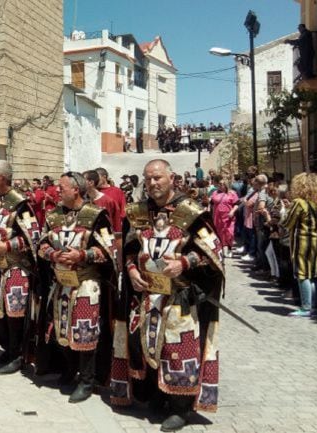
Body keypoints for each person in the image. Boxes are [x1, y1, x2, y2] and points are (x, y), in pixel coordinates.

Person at [110, 159, 224, 432]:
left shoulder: (192, 212)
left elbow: (214, 252)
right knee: (148, 347)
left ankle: (180, 408)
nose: (152, 183)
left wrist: (184, 263)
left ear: (172, 178)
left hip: (180, 297)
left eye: (158, 178)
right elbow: (128, 249)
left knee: (177, 350)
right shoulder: (138, 212)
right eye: (148, 178)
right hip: (147, 296)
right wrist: (131, 270)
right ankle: (157, 395)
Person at [36, 171, 116, 403]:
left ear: (76, 190)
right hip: (61, 283)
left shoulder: (96, 215)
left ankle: (87, 380)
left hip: (86, 283)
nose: (57, 191)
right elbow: (41, 245)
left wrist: (81, 254)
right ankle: (69, 370)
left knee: (84, 332)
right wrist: (54, 254)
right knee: (61, 330)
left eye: (62, 187)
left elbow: (108, 251)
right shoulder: (53, 216)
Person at [0, 161, 41, 375]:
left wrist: (8, 245)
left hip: (15, 266)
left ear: (3, 178)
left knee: (14, 314)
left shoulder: (21, 203)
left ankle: (18, 354)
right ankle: (8, 348)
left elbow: (33, 236)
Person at [281, 173, 317, 317]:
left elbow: (287, 223)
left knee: (302, 274)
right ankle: (314, 305)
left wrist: (285, 210)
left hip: (301, 242)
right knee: (313, 275)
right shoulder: (316, 203)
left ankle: (306, 307)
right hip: (316, 241)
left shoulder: (299, 202)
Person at [209, 179, 239, 257]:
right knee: (220, 233)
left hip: (228, 216)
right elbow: (211, 204)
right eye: (220, 184)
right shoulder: (215, 193)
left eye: (223, 184)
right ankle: (222, 249)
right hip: (217, 217)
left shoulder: (232, 193)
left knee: (230, 233)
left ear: (226, 185)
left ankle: (229, 248)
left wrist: (232, 211)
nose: (221, 185)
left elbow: (236, 204)